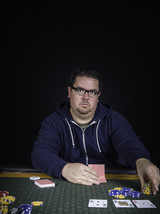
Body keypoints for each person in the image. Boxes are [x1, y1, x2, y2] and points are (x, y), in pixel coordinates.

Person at [31, 67, 160, 194]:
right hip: (71, 184)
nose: (86, 97)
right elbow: (40, 153)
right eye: (80, 90)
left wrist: (142, 160)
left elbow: (130, 145)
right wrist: (65, 168)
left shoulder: (114, 120)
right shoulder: (53, 122)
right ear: (70, 92)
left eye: (92, 92)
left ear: (98, 96)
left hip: (111, 183)